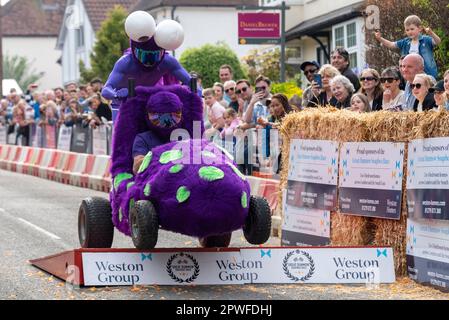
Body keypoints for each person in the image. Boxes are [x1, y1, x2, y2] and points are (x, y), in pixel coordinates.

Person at [375, 15, 440, 79]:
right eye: (407, 30)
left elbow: (438, 42)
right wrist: (380, 39)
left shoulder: (426, 40)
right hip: (410, 74)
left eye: (412, 29)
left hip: (427, 74)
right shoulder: (405, 42)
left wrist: (431, 33)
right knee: (410, 88)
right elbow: (391, 45)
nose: (410, 32)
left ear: (419, 29)